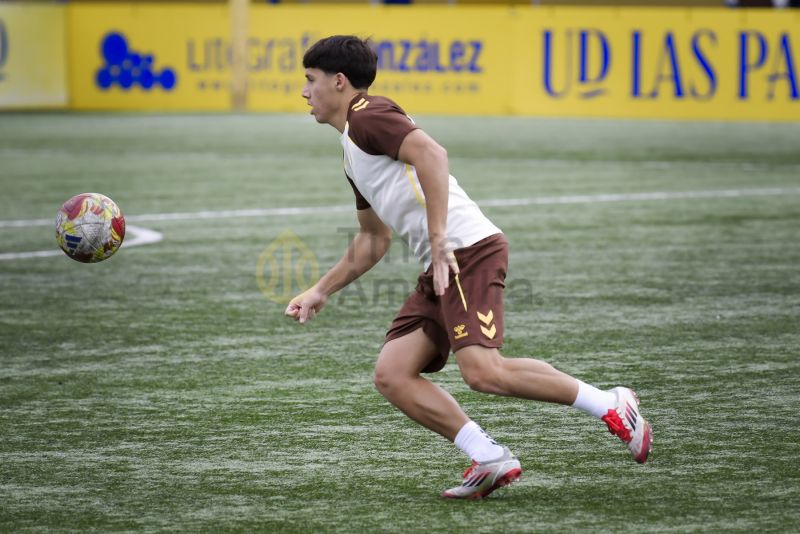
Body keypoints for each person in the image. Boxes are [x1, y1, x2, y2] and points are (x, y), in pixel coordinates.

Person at [286, 35, 653, 499]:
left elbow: (433, 155)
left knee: (483, 372)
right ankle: (489, 457)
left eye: (310, 80)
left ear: (338, 82)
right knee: (393, 373)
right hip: (443, 261)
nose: (304, 92)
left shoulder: (368, 115)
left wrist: (439, 241)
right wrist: (321, 290)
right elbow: (372, 240)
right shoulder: (351, 148)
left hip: (465, 251)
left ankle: (611, 403)